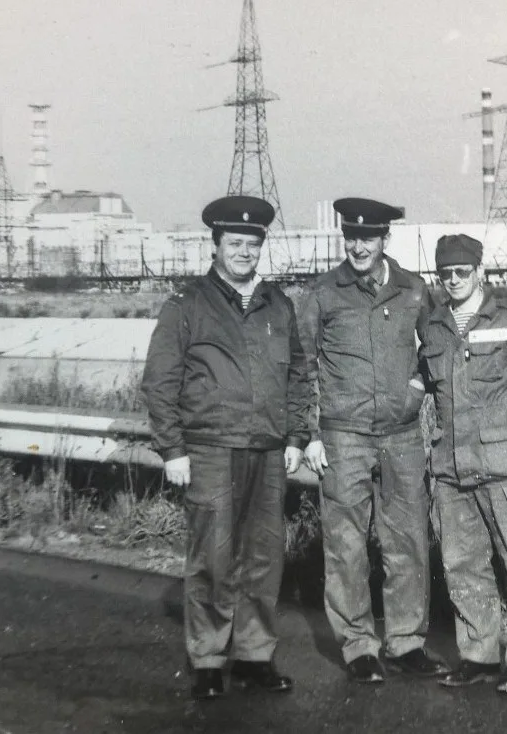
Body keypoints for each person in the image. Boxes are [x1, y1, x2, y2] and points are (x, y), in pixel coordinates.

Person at [141, 195, 311, 701]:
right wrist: (172, 449)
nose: (244, 252)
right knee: (213, 557)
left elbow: (298, 375)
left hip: (268, 450)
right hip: (211, 448)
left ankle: (255, 656)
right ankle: (209, 660)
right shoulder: (187, 305)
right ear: (214, 245)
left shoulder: (278, 304)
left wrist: (297, 436)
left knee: (264, 558)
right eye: (234, 243)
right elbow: (160, 381)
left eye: (252, 244)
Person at [299, 197, 447, 683]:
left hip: (401, 435)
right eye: (351, 237)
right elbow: (301, 365)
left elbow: (438, 345)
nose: (358, 246)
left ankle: (406, 643)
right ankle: (358, 645)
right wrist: (310, 432)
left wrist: (418, 387)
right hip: (344, 437)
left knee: (408, 538)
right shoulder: (323, 293)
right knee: (346, 543)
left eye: (368, 238)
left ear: (385, 238)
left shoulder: (413, 289)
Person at [420, 234, 507, 695]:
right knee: (462, 565)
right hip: (451, 469)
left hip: (504, 469)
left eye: (462, 271)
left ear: (480, 272)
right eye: (446, 273)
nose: (454, 280)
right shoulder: (434, 327)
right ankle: (478, 654)